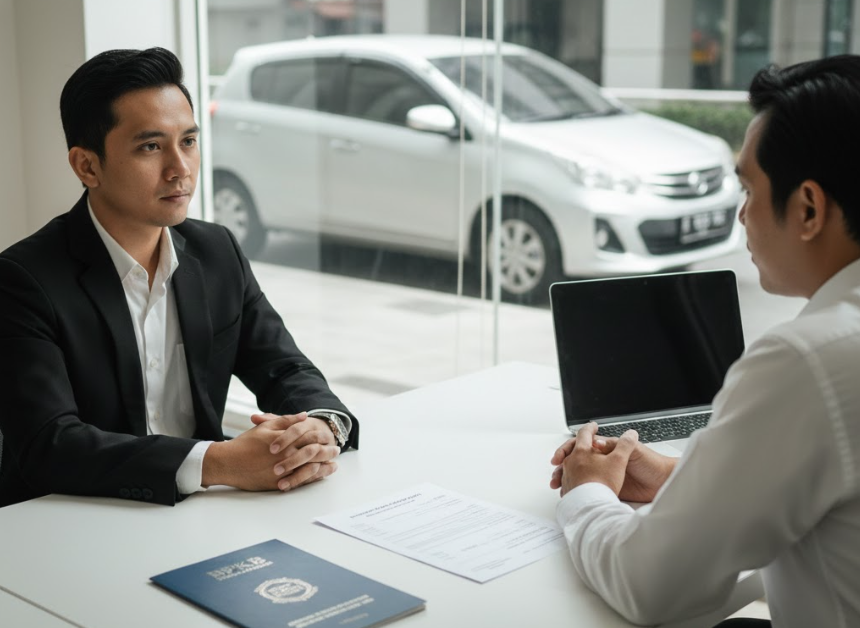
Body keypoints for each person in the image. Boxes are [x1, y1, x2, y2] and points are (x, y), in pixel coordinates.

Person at [550, 55, 860, 628]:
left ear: (809, 208)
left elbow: (649, 587)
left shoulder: (809, 361)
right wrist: (681, 481)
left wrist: (586, 494)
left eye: (749, 188)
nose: (742, 214)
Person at [0, 47, 358, 508]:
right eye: (151, 146)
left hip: (198, 512)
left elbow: (285, 368)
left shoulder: (217, 251)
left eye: (188, 141)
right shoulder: (22, 280)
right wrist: (218, 463)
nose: (180, 168)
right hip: (69, 516)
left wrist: (322, 426)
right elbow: (49, 445)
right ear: (87, 165)